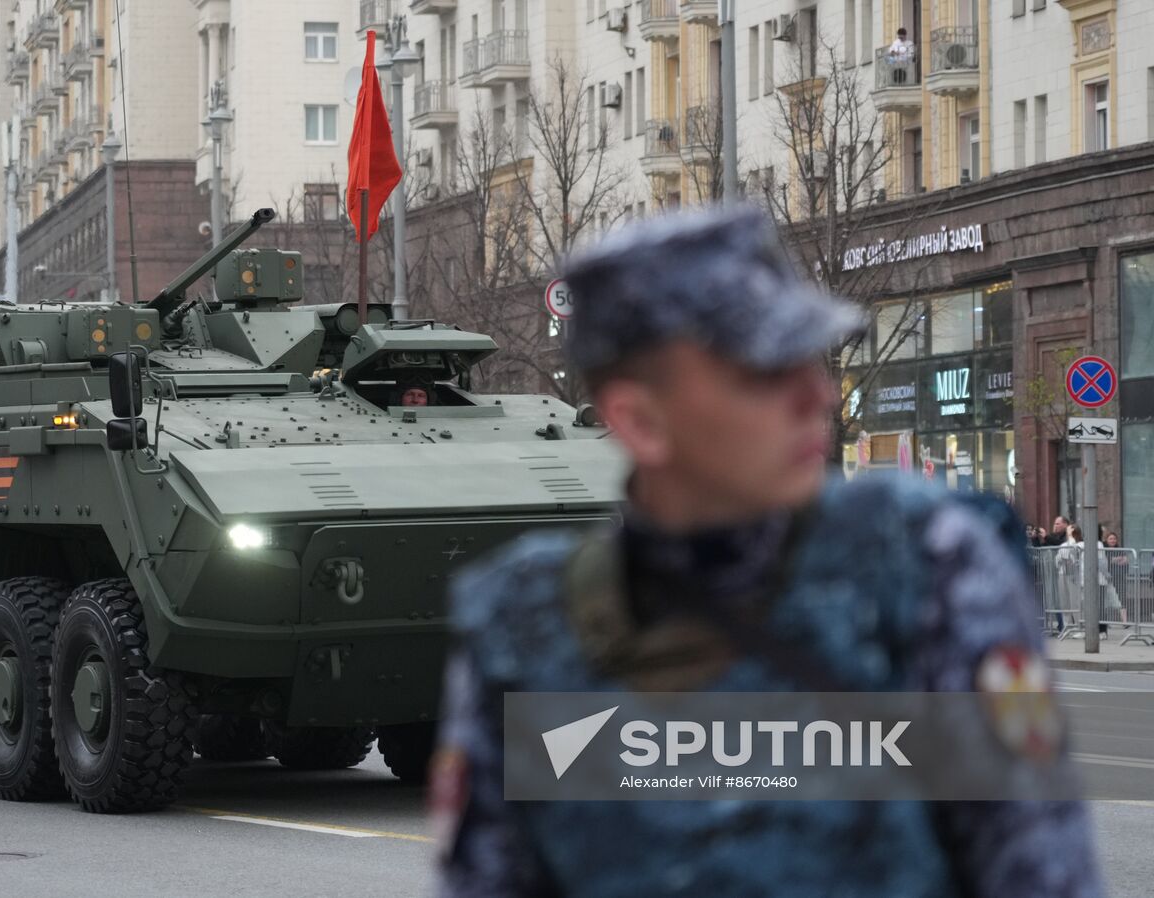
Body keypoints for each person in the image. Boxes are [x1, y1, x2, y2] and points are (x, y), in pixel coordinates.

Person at [432, 206, 1101, 897]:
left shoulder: (926, 567)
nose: (818, 395)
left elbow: (1041, 871)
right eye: (762, 372)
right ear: (639, 421)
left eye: (809, 359)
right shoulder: (525, 623)